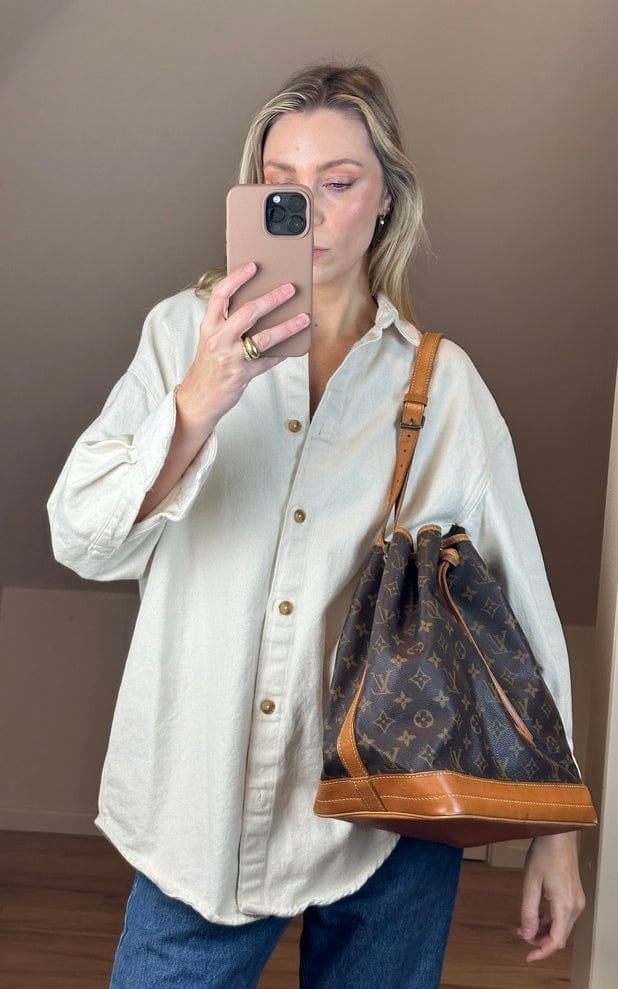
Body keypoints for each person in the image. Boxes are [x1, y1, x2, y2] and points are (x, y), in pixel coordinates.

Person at [48, 63, 585, 988]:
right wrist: (201, 398)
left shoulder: (443, 385)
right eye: (281, 186)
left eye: (338, 182)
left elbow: (525, 613)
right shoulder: (182, 336)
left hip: (390, 824)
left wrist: (557, 835)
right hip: (199, 820)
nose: (308, 213)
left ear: (387, 198)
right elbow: (81, 537)